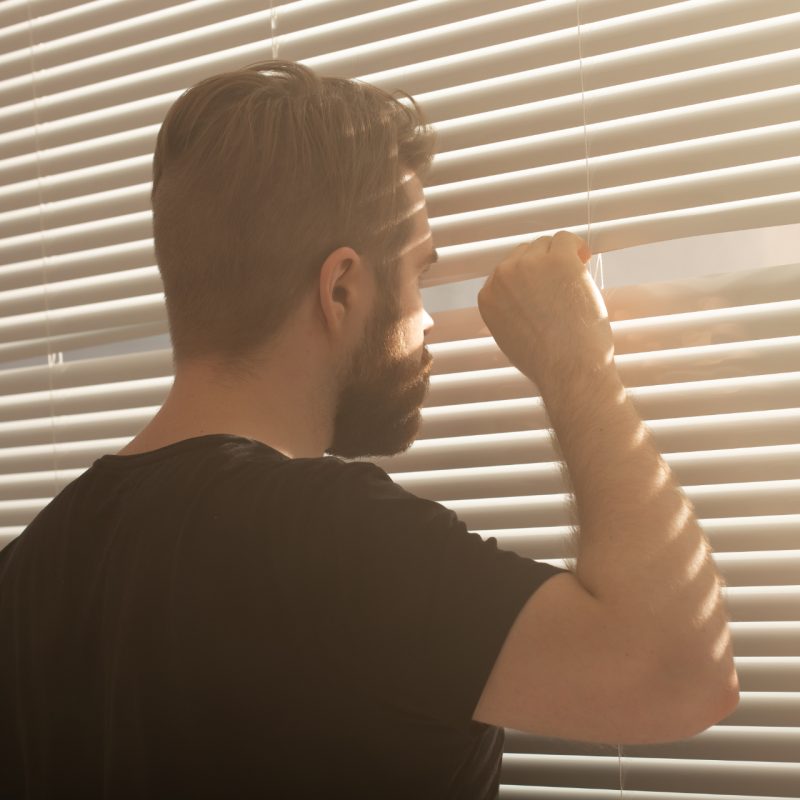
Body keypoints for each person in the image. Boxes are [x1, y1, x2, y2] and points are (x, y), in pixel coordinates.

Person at [0, 60, 738, 799]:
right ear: (342, 287)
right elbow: (680, 673)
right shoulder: (318, 533)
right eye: (417, 275)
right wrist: (578, 363)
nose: (424, 320)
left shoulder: (25, 573)